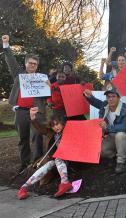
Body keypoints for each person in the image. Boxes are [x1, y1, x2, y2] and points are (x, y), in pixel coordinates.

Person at [2, 35, 45, 171]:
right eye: (30, 63)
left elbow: (49, 93)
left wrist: (48, 85)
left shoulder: (41, 79)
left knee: (37, 136)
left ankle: (37, 162)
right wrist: (6, 45)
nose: (32, 65)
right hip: (21, 111)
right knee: (23, 138)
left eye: (35, 64)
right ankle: (25, 163)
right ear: (26, 63)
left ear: (37, 66)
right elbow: (11, 61)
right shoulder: (19, 75)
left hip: (36, 111)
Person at [17, 107, 72, 200]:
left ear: (62, 123)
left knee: (58, 158)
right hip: (57, 161)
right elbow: (41, 129)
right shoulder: (53, 133)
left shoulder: (69, 131)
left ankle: (65, 182)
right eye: (53, 125)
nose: (56, 127)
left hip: (70, 159)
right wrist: (33, 117)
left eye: (57, 124)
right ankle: (24, 187)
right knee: (49, 163)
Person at [83, 86, 126, 174]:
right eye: (108, 97)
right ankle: (116, 155)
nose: (110, 99)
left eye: (113, 96)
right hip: (112, 137)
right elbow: (97, 103)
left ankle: (121, 162)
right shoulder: (105, 105)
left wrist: (107, 128)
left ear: (119, 97)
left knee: (120, 135)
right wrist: (89, 97)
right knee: (101, 150)